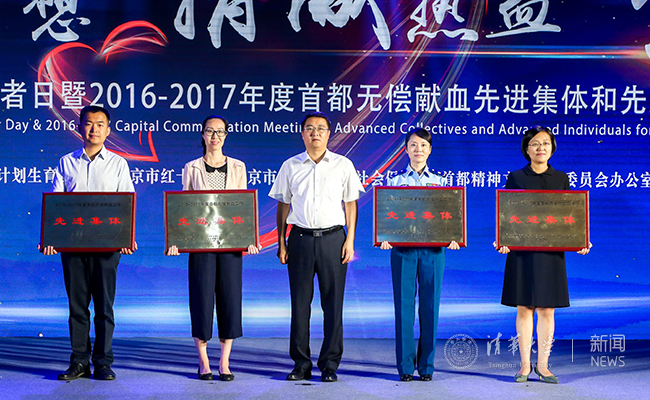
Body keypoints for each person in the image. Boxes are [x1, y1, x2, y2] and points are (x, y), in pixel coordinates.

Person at [40, 105, 136, 381]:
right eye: (89, 123)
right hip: (72, 246)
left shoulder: (118, 163)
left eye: (100, 124)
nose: (94, 129)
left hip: (107, 246)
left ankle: (103, 363)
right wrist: (50, 238)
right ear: (80, 127)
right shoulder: (66, 162)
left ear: (108, 130)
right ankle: (79, 362)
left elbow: (126, 203)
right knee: (77, 307)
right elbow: (56, 202)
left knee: (104, 308)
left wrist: (127, 238)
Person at [269, 112, 365, 383]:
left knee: (333, 305)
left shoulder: (343, 165)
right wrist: (281, 242)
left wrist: (350, 240)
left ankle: (330, 365)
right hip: (299, 239)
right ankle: (301, 364)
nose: (315, 133)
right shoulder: (290, 165)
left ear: (328, 133)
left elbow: (350, 203)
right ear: (303, 134)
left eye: (321, 128)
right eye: (310, 128)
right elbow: (283, 205)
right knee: (300, 305)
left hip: (334, 240)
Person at [166, 115, 261, 381]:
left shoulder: (238, 167)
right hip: (201, 245)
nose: (215, 136)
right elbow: (183, 207)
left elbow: (244, 206)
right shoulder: (191, 167)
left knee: (230, 299)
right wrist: (177, 241)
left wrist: (249, 238)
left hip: (230, 245)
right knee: (201, 299)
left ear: (226, 135)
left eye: (220, 132)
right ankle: (204, 362)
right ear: (203, 135)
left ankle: (225, 362)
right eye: (210, 131)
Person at [496, 125, 591, 384]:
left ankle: (544, 366)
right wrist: (503, 240)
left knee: (547, 309)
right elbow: (507, 214)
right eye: (535, 144)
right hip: (522, 253)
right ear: (526, 149)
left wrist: (580, 241)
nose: (541, 148)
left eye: (546, 143)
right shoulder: (516, 177)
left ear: (552, 148)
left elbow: (570, 216)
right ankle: (524, 366)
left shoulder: (561, 178)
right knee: (524, 307)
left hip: (550, 253)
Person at [380, 128, 460, 382]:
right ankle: (405, 367)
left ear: (430, 149)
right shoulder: (394, 182)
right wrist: (384, 235)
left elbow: (450, 216)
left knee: (430, 307)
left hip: (433, 251)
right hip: (402, 250)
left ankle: (426, 367)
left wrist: (453, 236)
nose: (418, 149)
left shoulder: (441, 182)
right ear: (406, 149)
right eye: (413, 145)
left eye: (423, 145)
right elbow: (386, 214)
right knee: (403, 308)